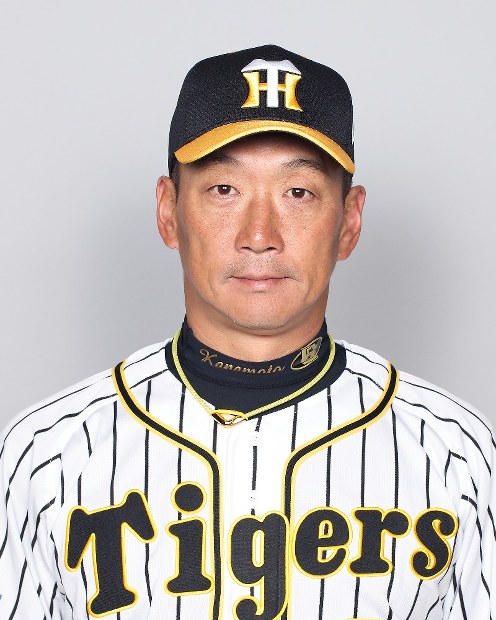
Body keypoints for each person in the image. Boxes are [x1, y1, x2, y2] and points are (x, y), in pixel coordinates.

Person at [0, 44, 494, 620]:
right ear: (168, 211)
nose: (260, 236)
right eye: (224, 190)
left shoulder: (457, 454)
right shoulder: (46, 455)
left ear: (349, 221)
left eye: (298, 193)